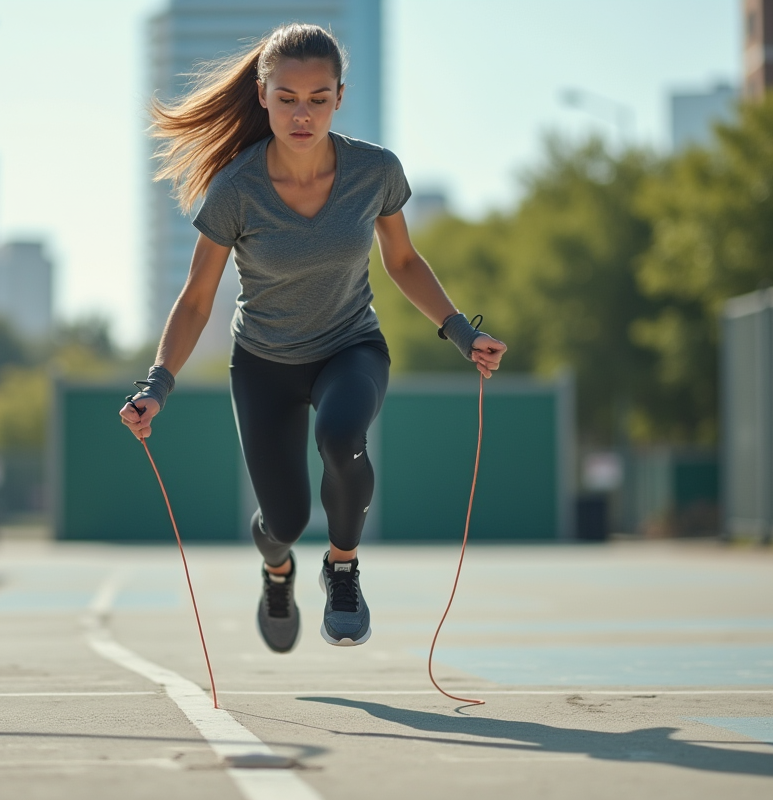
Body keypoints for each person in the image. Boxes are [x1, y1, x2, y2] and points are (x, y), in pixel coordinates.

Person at [119, 23, 505, 653]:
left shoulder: (375, 171)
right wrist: (156, 386)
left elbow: (403, 261)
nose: (303, 115)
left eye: (319, 99)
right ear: (263, 96)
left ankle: (343, 572)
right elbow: (196, 299)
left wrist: (463, 333)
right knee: (287, 520)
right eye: (288, 98)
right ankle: (278, 570)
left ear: (340, 98)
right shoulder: (236, 189)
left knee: (341, 438)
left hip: (350, 348)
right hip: (264, 364)